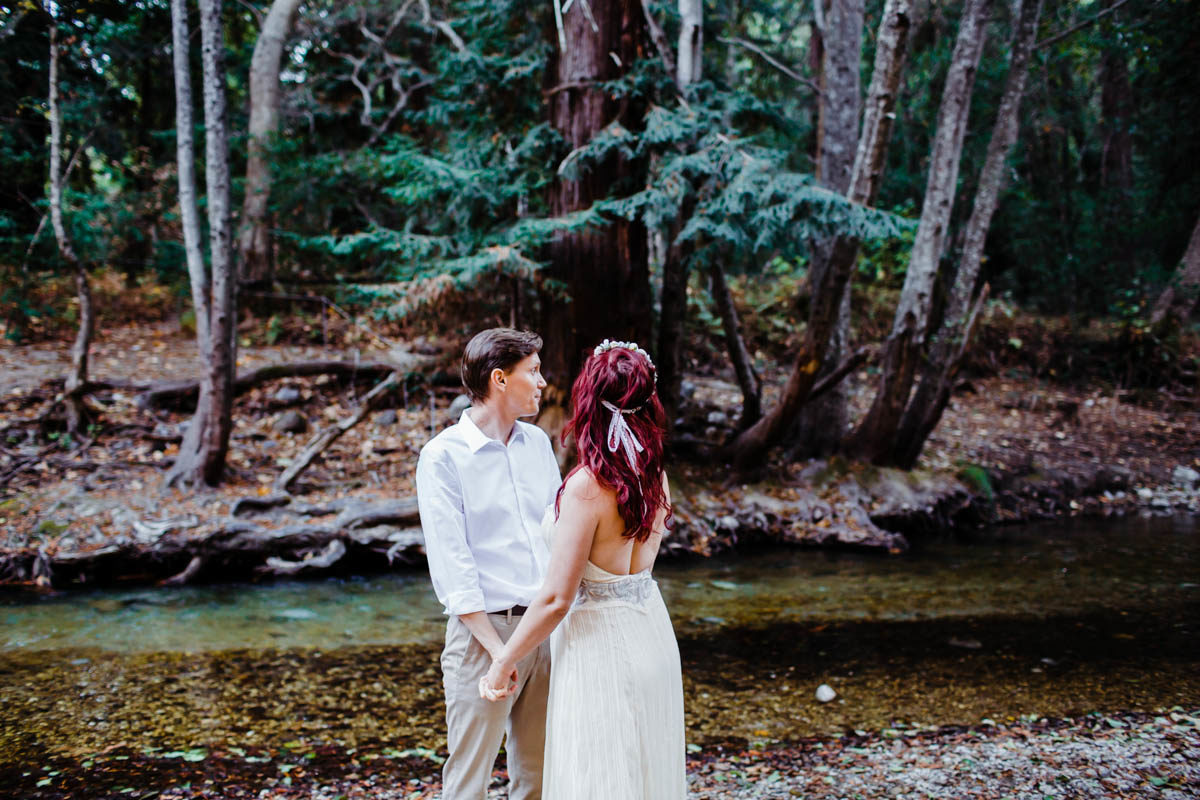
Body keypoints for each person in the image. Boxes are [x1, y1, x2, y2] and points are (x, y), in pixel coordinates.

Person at [479, 339, 686, 799]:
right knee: (645, 770)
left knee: (598, 773)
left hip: (600, 650)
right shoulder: (655, 476)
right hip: (650, 632)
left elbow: (556, 599)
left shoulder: (587, 488)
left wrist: (503, 661)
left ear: (589, 402)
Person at [415, 328, 562, 800]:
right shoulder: (442, 457)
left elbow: (557, 533)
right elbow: (452, 568)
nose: (543, 383)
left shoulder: (538, 443)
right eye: (534, 372)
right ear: (500, 378)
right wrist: (499, 653)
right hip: (482, 638)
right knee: (468, 783)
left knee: (538, 780)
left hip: (543, 631)